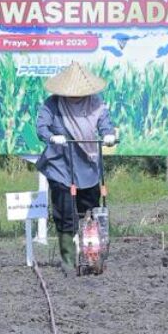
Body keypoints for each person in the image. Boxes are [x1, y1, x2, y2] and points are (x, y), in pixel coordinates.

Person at [35, 62, 117, 273]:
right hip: (61, 164)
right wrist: (52, 137)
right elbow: (41, 127)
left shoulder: (96, 103)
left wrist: (108, 134)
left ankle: (91, 255)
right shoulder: (53, 104)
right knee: (65, 213)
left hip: (88, 164)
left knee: (90, 211)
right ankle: (69, 260)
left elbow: (105, 124)